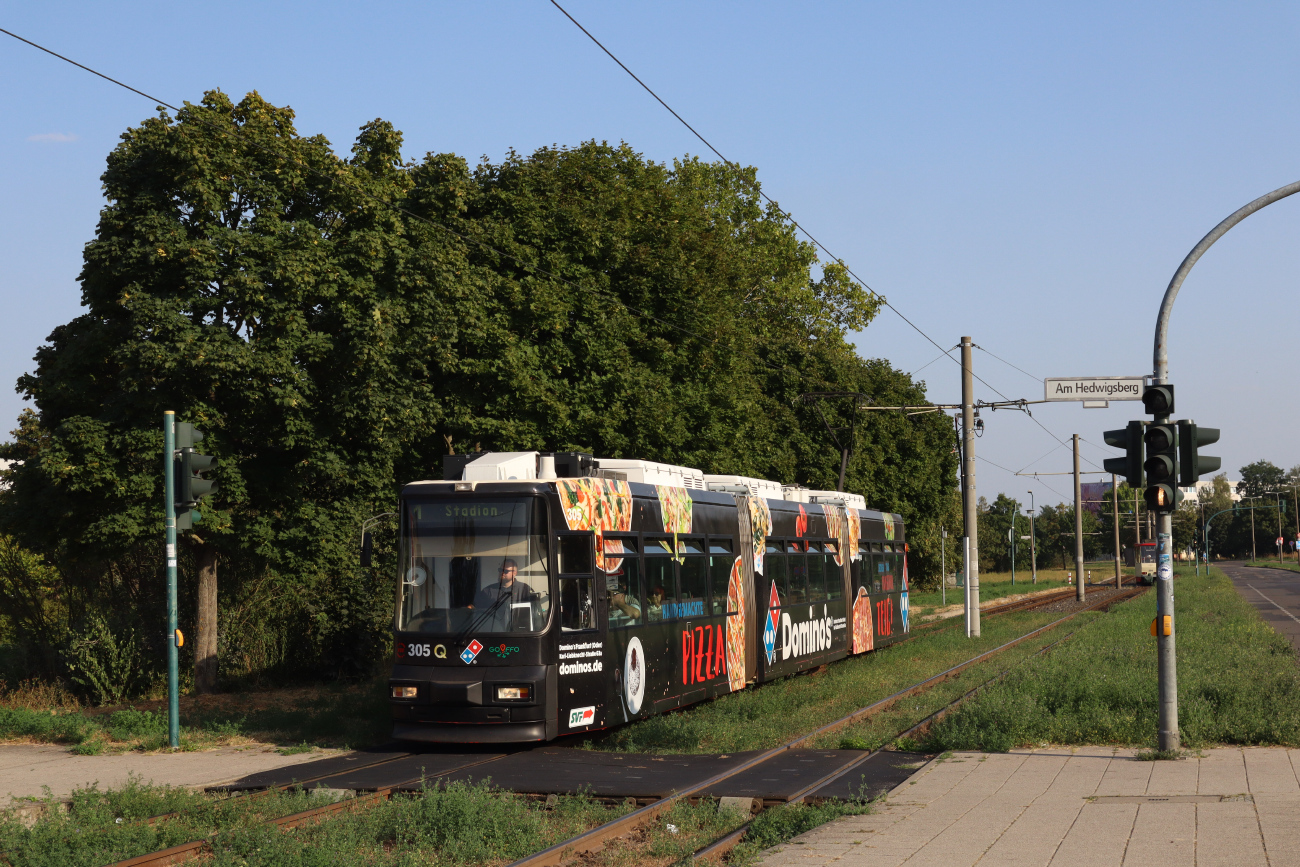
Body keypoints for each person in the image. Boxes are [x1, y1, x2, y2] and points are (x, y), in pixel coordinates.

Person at [470, 559, 535, 631]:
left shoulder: (524, 589)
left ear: (514, 573)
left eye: (506, 571)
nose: (502, 573)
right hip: (493, 632)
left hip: (518, 633)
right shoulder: (488, 591)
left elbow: (534, 611)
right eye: (500, 570)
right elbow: (474, 609)